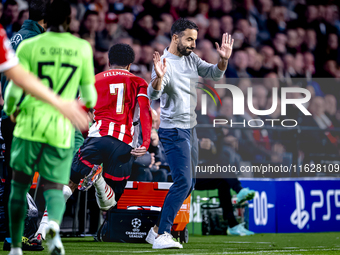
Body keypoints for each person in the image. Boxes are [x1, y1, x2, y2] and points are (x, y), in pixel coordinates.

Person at [3, 0, 98, 254]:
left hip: (29, 123)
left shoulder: (29, 45)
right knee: (55, 184)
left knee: (19, 185)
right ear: (69, 20)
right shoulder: (81, 48)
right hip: (60, 127)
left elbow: (14, 88)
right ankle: (52, 228)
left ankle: (15, 245)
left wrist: (11, 110)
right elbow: (89, 96)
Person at [33, 43, 152, 241]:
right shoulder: (139, 82)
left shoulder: (93, 80)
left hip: (96, 139)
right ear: (130, 65)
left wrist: (88, 135)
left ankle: (42, 228)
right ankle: (98, 180)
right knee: (109, 203)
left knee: (68, 184)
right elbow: (146, 112)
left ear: (108, 61)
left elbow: (80, 113)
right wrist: (146, 142)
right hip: (123, 145)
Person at [146, 18, 234, 249]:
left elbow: (214, 75)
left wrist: (223, 60)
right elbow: (153, 95)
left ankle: (154, 231)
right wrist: (158, 78)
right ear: (175, 38)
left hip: (190, 130)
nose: (193, 44)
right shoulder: (165, 62)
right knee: (183, 182)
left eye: (195, 39)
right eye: (189, 39)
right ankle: (163, 234)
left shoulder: (191, 58)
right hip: (173, 130)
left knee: (190, 184)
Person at [1, 0, 47, 248]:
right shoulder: (36, 42)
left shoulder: (15, 37)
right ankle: (18, 236)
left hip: (9, 116)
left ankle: (12, 236)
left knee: (14, 178)